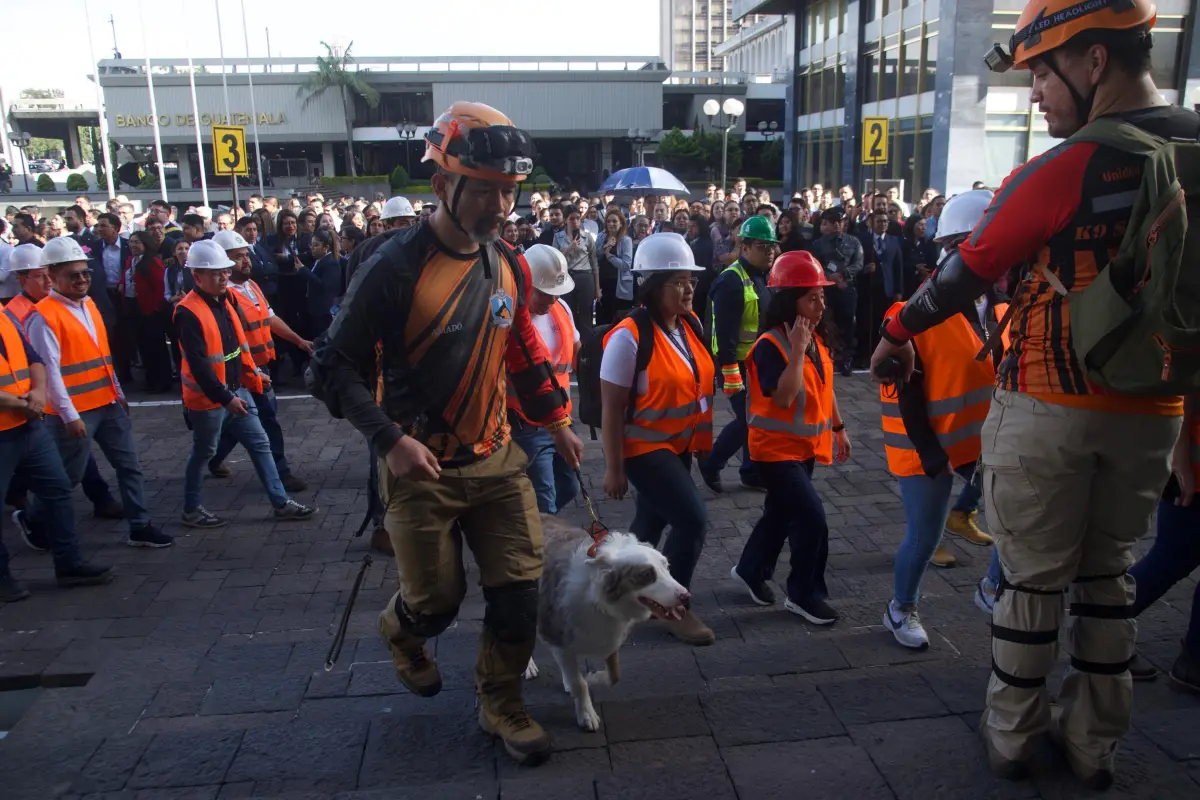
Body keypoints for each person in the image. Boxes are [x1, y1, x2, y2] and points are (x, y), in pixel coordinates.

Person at [869, 0, 1194, 788]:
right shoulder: (1194, 145)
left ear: (1094, 62)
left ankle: (1015, 736)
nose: (1038, 92)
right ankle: (1094, 745)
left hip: (1052, 402)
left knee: (1033, 578)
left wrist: (895, 330)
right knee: (1110, 574)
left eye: (1045, 73)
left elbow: (966, 269)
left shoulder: (1066, 165)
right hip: (1155, 410)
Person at [306, 101, 582, 766]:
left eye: (509, 192)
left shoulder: (510, 263)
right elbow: (328, 369)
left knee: (518, 593)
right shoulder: (394, 266)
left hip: (497, 459)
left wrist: (557, 422)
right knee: (437, 601)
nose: (499, 206)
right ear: (442, 185)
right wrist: (390, 442)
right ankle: (405, 631)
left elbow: (521, 348)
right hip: (418, 468)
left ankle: (502, 705)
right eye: (484, 190)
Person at [599, 232, 716, 646]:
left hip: (677, 446)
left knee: (649, 524)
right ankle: (674, 608)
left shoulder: (690, 326)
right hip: (644, 450)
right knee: (693, 520)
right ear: (651, 286)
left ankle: (616, 590)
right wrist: (614, 468)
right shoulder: (629, 337)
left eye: (691, 281)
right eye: (679, 282)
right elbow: (612, 408)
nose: (689, 290)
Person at [21, 238, 172, 549]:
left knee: (130, 465)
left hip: (107, 403)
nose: (81, 280)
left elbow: (102, 355)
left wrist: (118, 392)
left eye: (85, 273)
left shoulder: (89, 305)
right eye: (73, 275)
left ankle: (140, 526)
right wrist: (69, 415)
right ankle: (33, 518)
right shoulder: (43, 316)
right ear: (52, 277)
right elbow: (49, 372)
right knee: (68, 476)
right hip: (75, 412)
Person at [731, 251, 850, 625]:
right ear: (790, 300)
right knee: (812, 518)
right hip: (773, 451)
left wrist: (839, 427)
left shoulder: (815, 337)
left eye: (822, 296)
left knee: (780, 515)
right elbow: (783, 396)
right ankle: (803, 594)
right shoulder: (772, 344)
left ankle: (751, 569)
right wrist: (798, 349)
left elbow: (824, 386)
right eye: (812, 297)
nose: (821, 304)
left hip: (805, 448)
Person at [174, 240, 316, 529]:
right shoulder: (188, 311)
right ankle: (190, 510)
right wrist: (226, 397)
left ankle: (280, 502)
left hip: (236, 390)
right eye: (216, 273)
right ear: (197, 276)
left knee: (260, 443)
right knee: (204, 453)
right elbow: (200, 363)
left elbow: (239, 348)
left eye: (225, 271)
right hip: (210, 399)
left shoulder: (225, 300)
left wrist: (252, 376)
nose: (224, 276)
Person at [0, 304, 113, 602]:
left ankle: (69, 564)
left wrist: (38, 393)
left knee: (58, 490)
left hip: (28, 425)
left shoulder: (4, 315)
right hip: (11, 423)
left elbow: (33, 359)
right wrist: (18, 402)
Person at [206, 230, 312, 492]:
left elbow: (270, 318)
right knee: (267, 420)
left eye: (245, 255)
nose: (245, 261)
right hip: (244, 371)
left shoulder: (252, 287)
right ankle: (281, 473)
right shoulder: (224, 296)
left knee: (240, 420)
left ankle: (214, 457)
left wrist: (299, 340)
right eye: (238, 257)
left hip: (260, 366)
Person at [698, 216, 777, 493]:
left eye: (771, 246)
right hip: (736, 366)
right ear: (744, 247)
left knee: (755, 421)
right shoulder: (731, 280)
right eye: (762, 246)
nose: (769, 251)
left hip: (755, 363)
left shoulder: (760, 276)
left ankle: (751, 471)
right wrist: (730, 372)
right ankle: (711, 463)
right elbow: (722, 333)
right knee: (748, 421)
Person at [1125, 403, 1198, 691]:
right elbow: (1189, 385)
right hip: (1192, 468)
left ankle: (1101, 629)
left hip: (1188, 461)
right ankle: (1101, 630)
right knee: (1170, 559)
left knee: (1170, 559)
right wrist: (1180, 458)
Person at [508, 244, 580, 515]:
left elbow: (575, 347)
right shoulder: (509, 318)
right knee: (544, 499)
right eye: (545, 293)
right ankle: (540, 545)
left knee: (569, 486)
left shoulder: (562, 310)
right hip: (526, 422)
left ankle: (528, 526)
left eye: (556, 294)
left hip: (560, 418)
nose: (551, 301)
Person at [810, 208, 864, 376]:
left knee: (848, 322)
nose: (834, 225)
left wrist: (843, 275)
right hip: (825, 290)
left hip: (847, 288)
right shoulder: (817, 244)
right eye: (826, 223)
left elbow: (859, 263)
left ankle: (846, 358)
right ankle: (829, 354)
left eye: (838, 222)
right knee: (825, 322)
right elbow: (814, 264)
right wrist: (829, 276)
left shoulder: (853, 242)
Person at [595, 209, 633, 325]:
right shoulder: (601, 237)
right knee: (602, 320)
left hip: (618, 286)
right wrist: (605, 247)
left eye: (614, 221)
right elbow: (594, 256)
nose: (611, 224)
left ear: (621, 223)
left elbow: (626, 265)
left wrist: (609, 256)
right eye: (609, 221)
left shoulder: (626, 240)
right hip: (602, 285)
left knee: (617, 322)